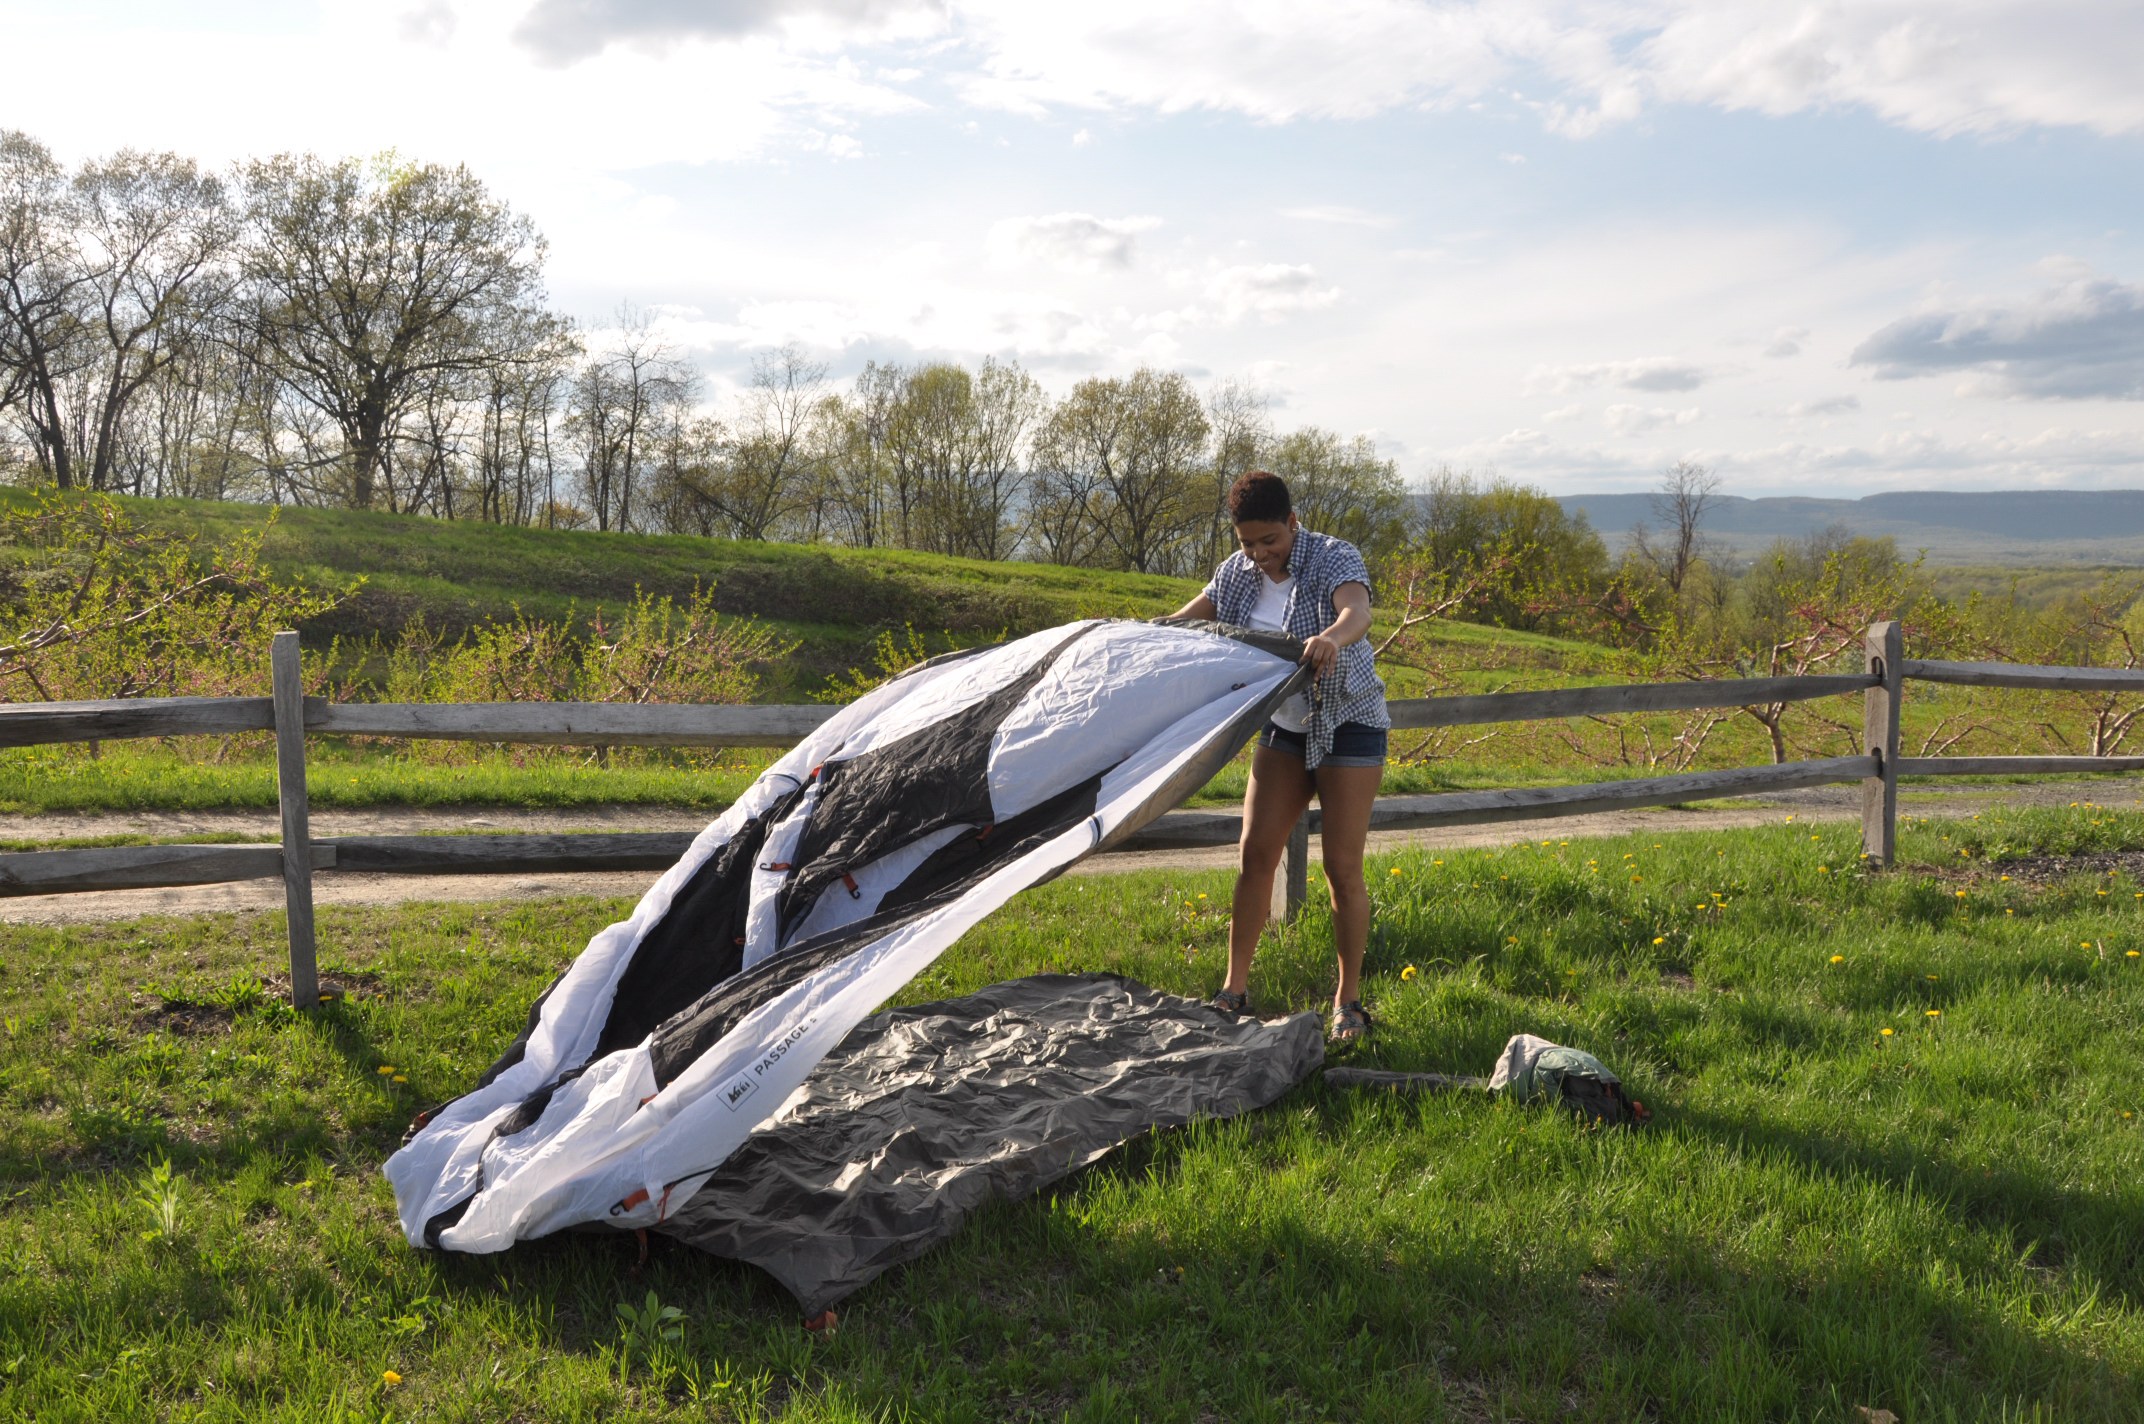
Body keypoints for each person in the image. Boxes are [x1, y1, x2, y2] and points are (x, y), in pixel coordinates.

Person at [1171, 471, 1390, 1042]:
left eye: (1269, 541)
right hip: (1284, 730)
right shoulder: (1237, 572)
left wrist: (1332, 640)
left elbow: (1357, 613)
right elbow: (1191, 616)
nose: (1258, 554)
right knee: (1254, 852)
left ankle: (1349, 1002)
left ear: (1292, 523)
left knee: (1342, 868)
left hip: (1348, 724)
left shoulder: (1333, 556)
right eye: (1247, 543)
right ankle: (1233, 990)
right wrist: (1151, 632)